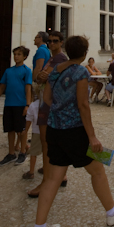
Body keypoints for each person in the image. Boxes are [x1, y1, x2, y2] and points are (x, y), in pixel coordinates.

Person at [30, 35, 114, 227]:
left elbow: (48, 99)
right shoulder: (80, 71)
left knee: (51, 179)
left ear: (67, 50)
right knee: (98, 170)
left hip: (54, 129)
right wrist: (92, 136)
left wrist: (61, 106)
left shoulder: (55, 70)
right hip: (75, 131)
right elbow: (83, 105)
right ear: (85, 53)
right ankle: (113, 212)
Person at [28, 31, 69, 199]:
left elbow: (42, 77)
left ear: (61, 42)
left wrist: (42, 76)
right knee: (55, 143)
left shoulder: (59, 59)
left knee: (47, 144)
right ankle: (60, 176)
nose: (52, 44)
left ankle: (46, 181)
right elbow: (39, 77)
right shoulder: (52, 59)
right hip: (49, 104)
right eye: (50, 41)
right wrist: (41, 77)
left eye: (55, 41)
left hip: (50, 105)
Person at [0, 46, 32, 166]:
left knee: (21, 130)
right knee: (10, 129)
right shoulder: (8, 71)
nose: (16, 56)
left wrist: (27, 104)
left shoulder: (26, 70)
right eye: (15, 54)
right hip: (9, 103)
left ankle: (23, 151)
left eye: (19, 54)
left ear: (24, 56)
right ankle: (11, 153)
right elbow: (2, 86)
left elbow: (28, 88)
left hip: (20, 103)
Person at [22, 98, 42, 180]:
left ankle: (31, 172)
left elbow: (29, 120)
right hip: (49, 130)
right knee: (47, 151)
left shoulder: (33, 105)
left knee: (33, 153)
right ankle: (46, 168)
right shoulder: (52, 103)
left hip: (37, 132)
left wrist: (25, 130)